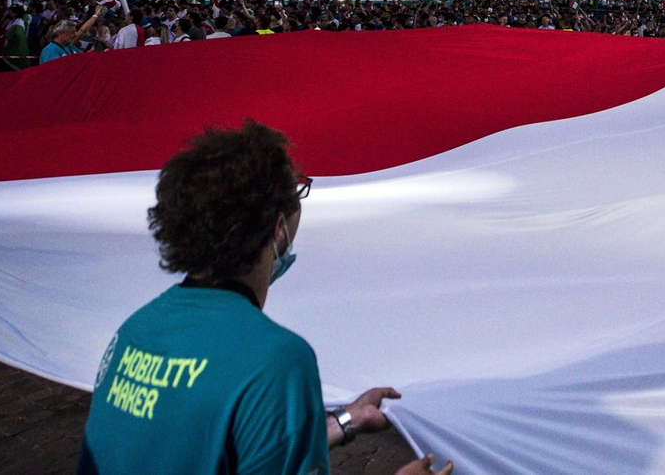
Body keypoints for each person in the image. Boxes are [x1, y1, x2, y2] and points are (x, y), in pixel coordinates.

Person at [77, 121, 450, 475]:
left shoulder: (134, 331)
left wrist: (346, 420)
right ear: (276, 228)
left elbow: (215, 449)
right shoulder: (275, 360)